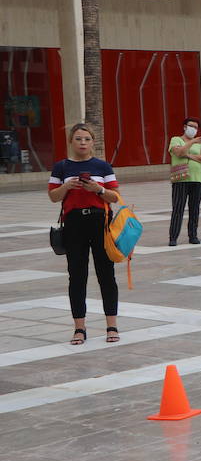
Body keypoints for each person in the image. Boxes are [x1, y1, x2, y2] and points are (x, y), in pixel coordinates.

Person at [48, 123, 121, 345]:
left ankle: (112, 325)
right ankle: (79, 328)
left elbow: (115, 196)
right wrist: (67, 186)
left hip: (100, 222)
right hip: (74, 224)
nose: (82, 143)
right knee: (77, 276)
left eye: (87, 139)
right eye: (78, 139)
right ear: (71, 141)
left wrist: (98, 190)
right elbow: (53, 196)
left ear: (93, 142)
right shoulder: (61, 167)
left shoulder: (103, 166)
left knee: (106, 274)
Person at [167, 117, 201, 246]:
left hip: (198, 178)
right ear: (184, 127)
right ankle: (173, 237)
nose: (193, 129)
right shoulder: (176, 139)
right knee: (178, 208)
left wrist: (188, 155)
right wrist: (192, 141)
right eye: (191, 126)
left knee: (194, 208)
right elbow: (179, 152)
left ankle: (193, 235)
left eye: (196, 127)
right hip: (181, 179)